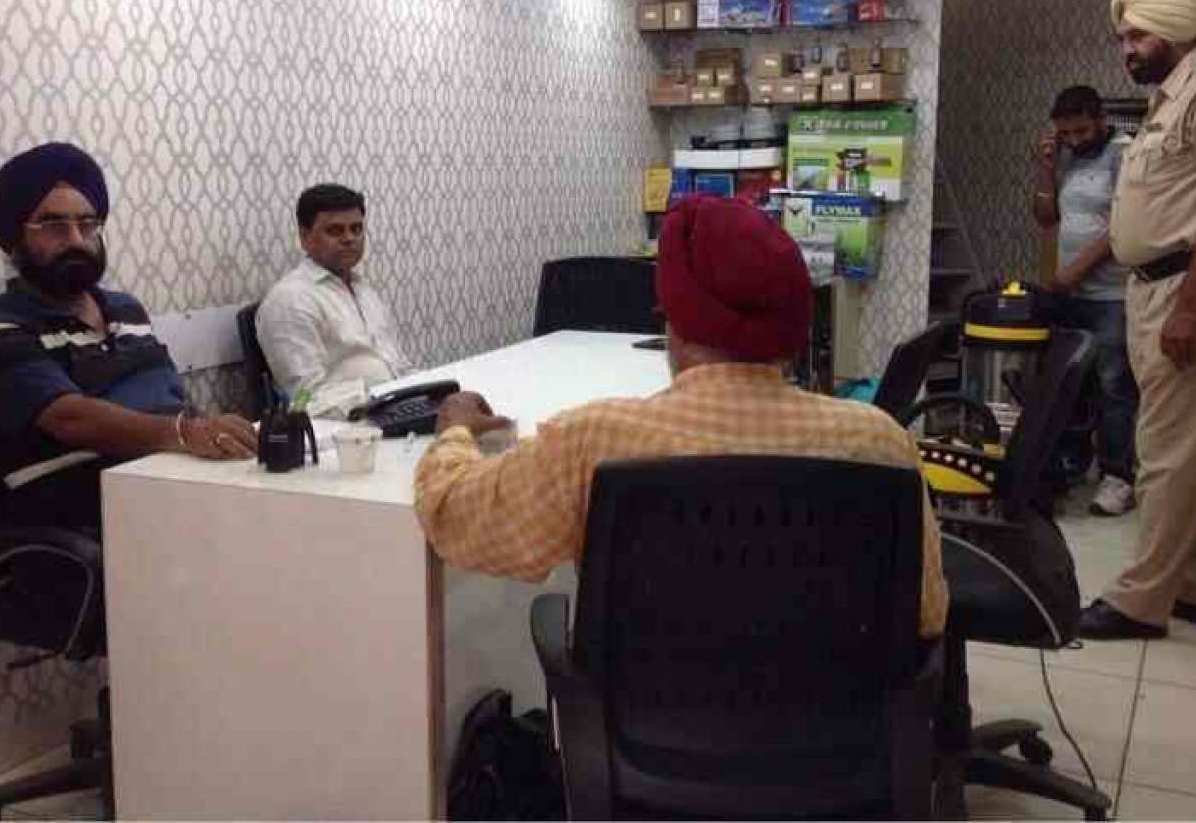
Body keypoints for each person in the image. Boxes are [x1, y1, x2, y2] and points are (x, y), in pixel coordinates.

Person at [413, 194, 948, 637]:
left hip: (642, 731)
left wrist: (455, 428)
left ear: (673, 323)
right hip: (837, 730)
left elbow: (454, 516)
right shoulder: (879, 442)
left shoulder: (594, 440)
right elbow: (927, 615)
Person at [1080, 0, 1196, 640]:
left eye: (1138, 35)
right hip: (1157, 286)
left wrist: (1191, 304)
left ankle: (1140, 600)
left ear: (1178, 32)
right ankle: (1195, 585)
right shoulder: (1168, 99)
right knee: (1187, 445)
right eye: (1123, 37)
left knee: (1166, 449)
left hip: (1188, 287)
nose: (1127, 48)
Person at [0, 142, 257, 531]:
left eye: (88, 224)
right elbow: (71, 419)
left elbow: (172, 400)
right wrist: (186, 433)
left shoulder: (125, 310)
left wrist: (221, 437)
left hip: (174, 489)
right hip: (82, 520)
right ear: (14, 239)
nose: (76, 240)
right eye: (53, 226)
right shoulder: (0, 330)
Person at [1031, 85, 1139, 516]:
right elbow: (1046, 217)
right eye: (1066, 133)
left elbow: (1123, 225)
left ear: (1100, 119)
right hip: (1070, 294)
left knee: (1114, 384)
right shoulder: (1069, 155)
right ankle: (1069, 465)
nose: (1074, 140)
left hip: (1111, 293)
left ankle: (1117, 477)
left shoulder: (1123, 153)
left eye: (1081, 131)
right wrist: (1046, 167)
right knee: (1069, 381)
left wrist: (1076, 270)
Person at [256, 184, 411, 418]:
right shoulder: (289, 300)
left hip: (398, 407)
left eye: (356, 229)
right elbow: (305, 397)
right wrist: (378, 399)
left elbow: (398, 365)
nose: (349, 238)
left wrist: (426, 390)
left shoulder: (363, 289)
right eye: (335, 231)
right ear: (305, 237)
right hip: (349, 423)